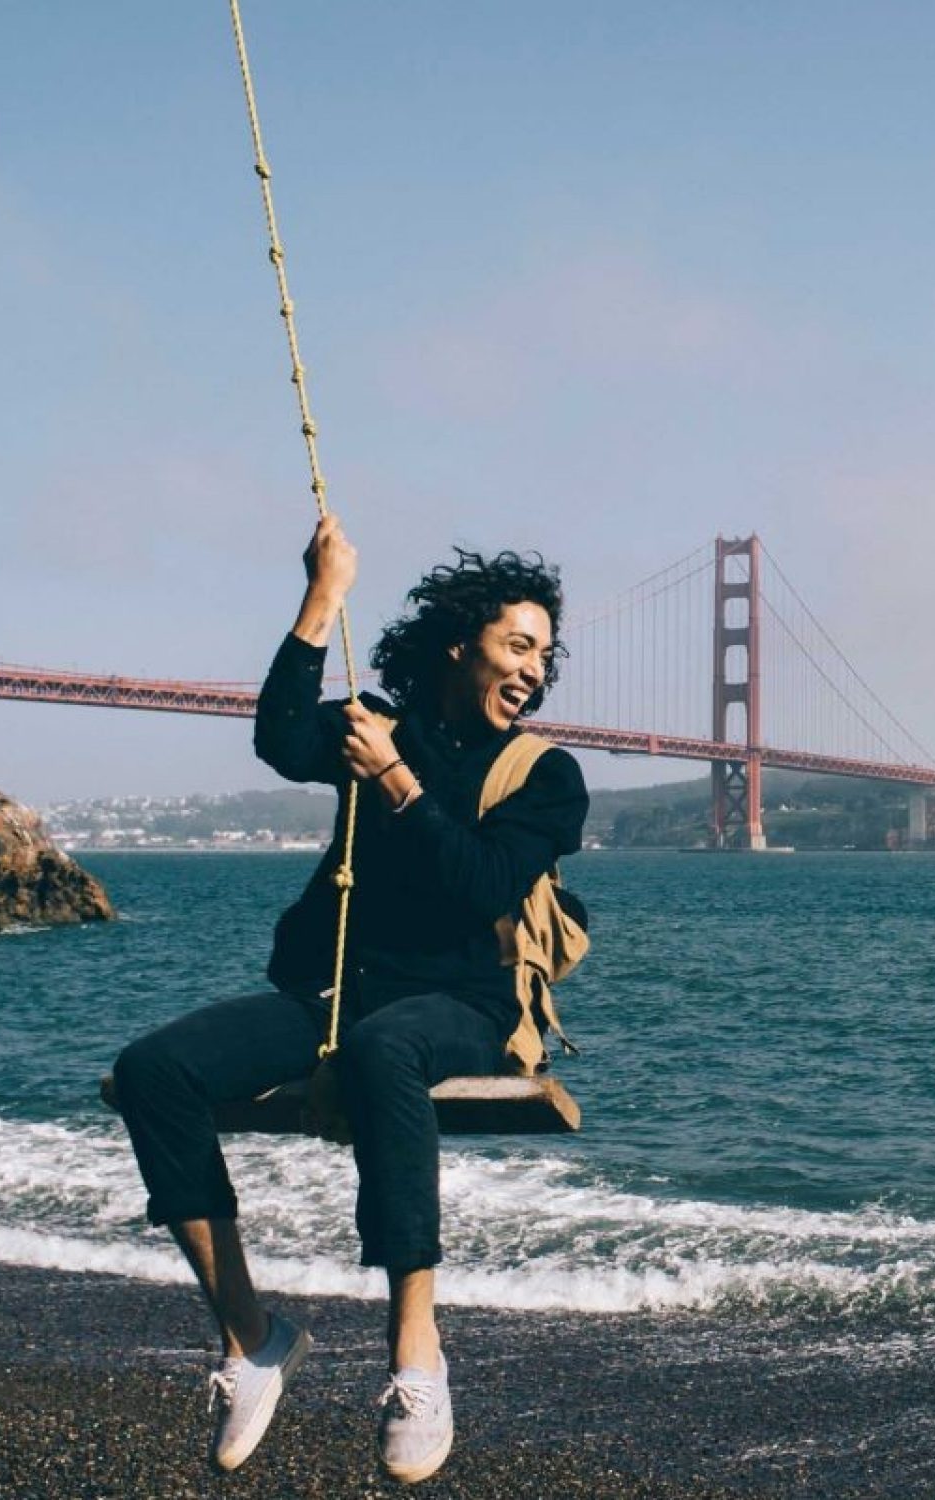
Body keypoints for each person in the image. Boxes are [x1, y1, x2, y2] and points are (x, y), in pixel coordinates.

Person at [111, 516, 589, 1481]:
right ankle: (251, 1340)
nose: (533, 668)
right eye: (516, 644)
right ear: (463, 646)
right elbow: (281, 738)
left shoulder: (547, 775)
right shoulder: (380, 722)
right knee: (152, 1072)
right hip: (335, 993)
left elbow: (478, 888)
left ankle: (417, 1357)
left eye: (543, 653)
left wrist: (398, 781)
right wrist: (322, 595)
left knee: (386, 1052)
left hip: (462, 1003)